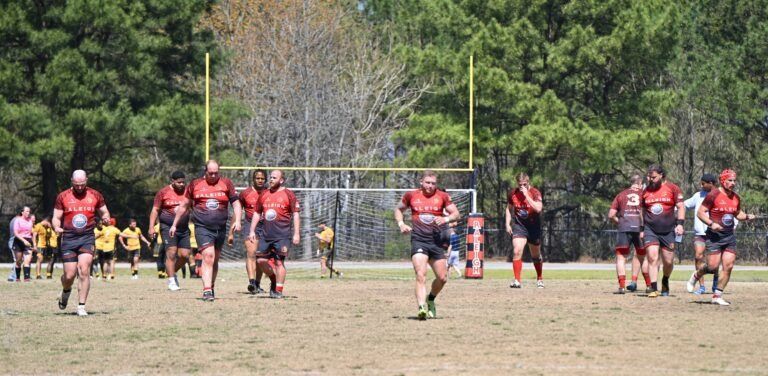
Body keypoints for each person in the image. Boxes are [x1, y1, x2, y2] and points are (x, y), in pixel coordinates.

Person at [170, 160, 241, 301]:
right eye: (210, 173)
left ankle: (211, 286)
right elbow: (184, 205)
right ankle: (207, 290)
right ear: (205, 171)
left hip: (220, 228)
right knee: (208, 256)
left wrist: (238, 220)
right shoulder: (195, 184)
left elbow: (236, 204)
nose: (214, 176)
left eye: (216, 173)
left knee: (214, 260)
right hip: (202, 227)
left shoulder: (226, 183)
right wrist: (174, 224)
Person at [394, 170, 460, 320]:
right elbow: (398, 209)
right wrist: (401, 223)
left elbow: (456, 213)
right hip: (419, 240)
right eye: (427, 182)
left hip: (436, 242)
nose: (430, 186)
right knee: (420, 275)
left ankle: (430, 299)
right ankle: (421, 307)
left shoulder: (442, 196)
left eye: (433, 183)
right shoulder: (411, 195)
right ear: (421, 182)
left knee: (443, 278)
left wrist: (446, 219)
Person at [686, 169, 756, 305]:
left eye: (734, 180)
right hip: (714, 236)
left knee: (728, 266)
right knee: (712, 266)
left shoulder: (735, 197)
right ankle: (696, 275)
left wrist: (747, 216)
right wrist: (712, 224)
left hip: (729, 236)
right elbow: (700, 213)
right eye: (730, 180)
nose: (733, 183)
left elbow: (737, 213)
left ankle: (717, 296)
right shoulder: (713, 195)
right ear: (722, 181)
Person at [52, 169, 111, 316]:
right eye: (76, 184)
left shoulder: (95, 195)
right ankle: (66, 290)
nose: (79, 187)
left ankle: (81, 306)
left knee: (84, 270)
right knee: (69, 275)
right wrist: (56, 226)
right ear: (72, 181)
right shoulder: (63, 196)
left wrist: (105, 218)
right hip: (69, 238)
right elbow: (56, 217)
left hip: (87, 237)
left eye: (82, 184)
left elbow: (105, 212)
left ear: (87, 181)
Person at [249, 170, 299, 299]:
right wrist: (252, 230)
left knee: (278, 262)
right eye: (270, 177)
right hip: (265, 234)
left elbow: (296, 214)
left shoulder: (288, 194)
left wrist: (296, 233)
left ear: (281, 180)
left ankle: (278, 290)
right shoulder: (264, 194)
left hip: (282, 235)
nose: (270, 180)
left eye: (274, 178)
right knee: (260, 260)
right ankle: (273, 279)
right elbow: (257, 213)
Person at [640, 164, 685, 298]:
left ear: (661, 175)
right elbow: (642, 211)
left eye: (653, 177)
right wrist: (642, 228)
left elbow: (681, 207)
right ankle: (653, 288)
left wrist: (680, 224)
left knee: (668, 262)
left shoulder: (673, 188)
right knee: (652, 257)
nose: (650, 179)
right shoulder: (646, 191)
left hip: (668, 231)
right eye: (649, 177)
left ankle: (665, 279)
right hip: (650, 230)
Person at [148, 171, 192, 291]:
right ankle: (172, 280)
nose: (182, 184)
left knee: (185, 255)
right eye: (179, 182)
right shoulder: (163, 192)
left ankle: (172, 272)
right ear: (172, 181)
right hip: (167, 227)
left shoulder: (188, 192)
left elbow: (193, 207)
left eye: (183, 182)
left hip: (183, 228)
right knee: (171, 253)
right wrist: (151, 227)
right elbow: (155, 210)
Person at [608, 174, 650, 293]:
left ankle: (621, 287)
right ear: (640, 183)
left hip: (624, 228)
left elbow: (611, 215)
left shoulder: (621, 195)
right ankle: (648, 286)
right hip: (640, 229)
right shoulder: (644, 194)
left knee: (621, 258)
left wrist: (620, 222)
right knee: (643, 258)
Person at [230, 169, 267, 293]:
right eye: (258, 178)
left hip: (267, 228)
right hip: (250, 226)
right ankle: (251, 282)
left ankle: (257, 283)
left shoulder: (269, 193)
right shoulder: (245, 193)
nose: (260, 180)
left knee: (261, 256)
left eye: (262, 178)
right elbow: (237, 210)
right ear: (253, 179)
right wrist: (234, 226)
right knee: (251, 253)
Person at [505, 173, 544, 289]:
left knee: (536, 255)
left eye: (525, 184)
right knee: (517, 251)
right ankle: (517, 280)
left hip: (533, 227)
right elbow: (508, 208)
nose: (522, 186)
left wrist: (527, 195)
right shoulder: (513, 193)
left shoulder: (535, 193)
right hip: (519, 226)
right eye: (520, 184)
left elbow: (538, 208)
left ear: (528, 182)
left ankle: (540, 278)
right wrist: (507, 223)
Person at [683, 173, 718, 294]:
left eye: (703, 183)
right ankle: (701, 286)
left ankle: (716, 285)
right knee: (698, 256)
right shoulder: (698, 195)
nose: (701, 185)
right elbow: (684, 205)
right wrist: (670, 207)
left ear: (711, 184)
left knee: (714, 261)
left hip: (715, 233)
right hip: (700, 233)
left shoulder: (720, 196)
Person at [12, 206, 35, 282]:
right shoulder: (17, 220)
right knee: (18, 261)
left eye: (29, 211)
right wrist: (23, 240)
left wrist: (34, 243)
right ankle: (18, 278)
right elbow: (15, 233)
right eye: (27, 211)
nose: (28, 213)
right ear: (22, 212)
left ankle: (26, 278)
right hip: (19, 241)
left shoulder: (30, 221)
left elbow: (31, 233)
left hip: (28, 241)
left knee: (27, 261)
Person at [7, 213, 20, 282]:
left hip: (12, 241)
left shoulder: (13, 220)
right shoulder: (17, 220)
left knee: (18, 260)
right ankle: (12, 276)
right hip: (14, 241)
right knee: (17, 260)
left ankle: (13, 275)